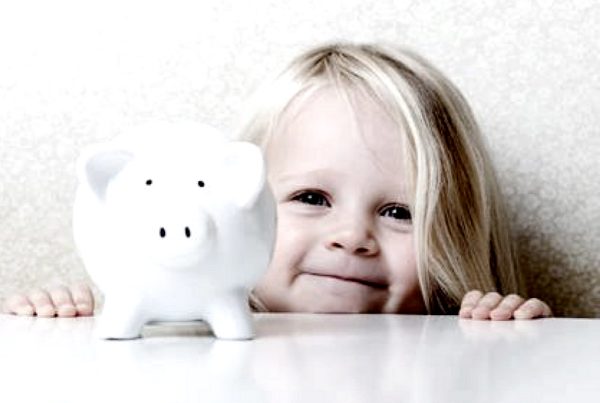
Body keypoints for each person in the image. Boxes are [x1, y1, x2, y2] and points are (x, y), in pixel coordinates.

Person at [2, 42, 552, 321]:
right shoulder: (179, 330)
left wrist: (513, 336)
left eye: (399, 212)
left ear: (457, 238)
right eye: (312, 197)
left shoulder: (472, 341)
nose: (351, 237)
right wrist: (52, 326)